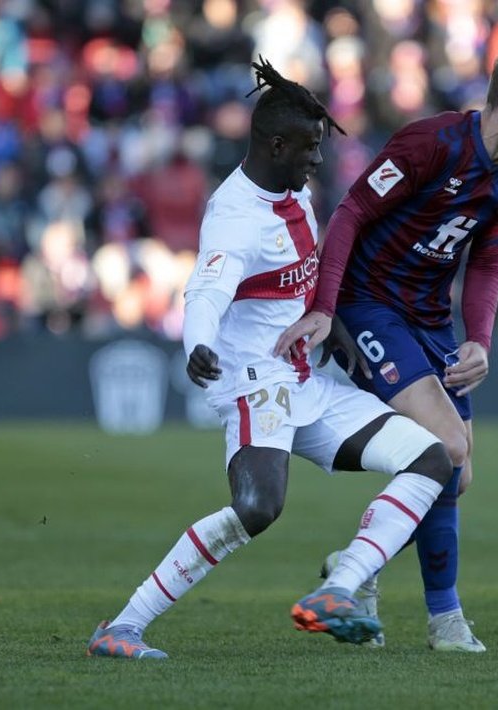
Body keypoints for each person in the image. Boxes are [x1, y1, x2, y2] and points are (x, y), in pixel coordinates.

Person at [86, 58, 453, 659]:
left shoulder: (293, 191)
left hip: (307, 381)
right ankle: (122, 628)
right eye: (310, 147)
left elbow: (296, 278)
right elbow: (205, 291)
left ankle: (339, 589)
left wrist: (324, 321)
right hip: (256, 381)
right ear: (276, 144)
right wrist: (196, 343)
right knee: (258, 507)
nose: (318, 158)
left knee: (432, 459)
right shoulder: (236, 219)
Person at [274, 43, 498, 652]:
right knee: (450, 446)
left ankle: (357, 567)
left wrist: (481, 340)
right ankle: (445, 619)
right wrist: (326, 309)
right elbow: (350, 214)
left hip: (430, 320)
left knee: (453, 476)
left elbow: (488, 261)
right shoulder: (429, 143)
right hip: (368, 308)